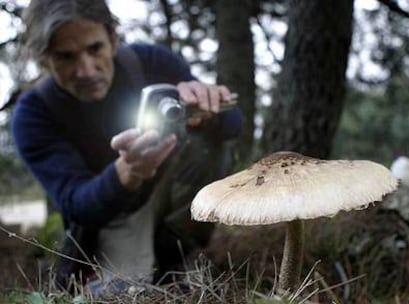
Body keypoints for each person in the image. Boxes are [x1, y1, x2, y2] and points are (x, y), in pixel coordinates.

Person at [12, 0, 242, 294]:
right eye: (66, 57)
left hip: (170, 188)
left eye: (95, 49)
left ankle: (176, 246)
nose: (86, 70)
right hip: (113, 213)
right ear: (43, 60)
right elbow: (77, 203)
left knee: (207, 146)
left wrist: (210, 113)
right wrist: (127, 173)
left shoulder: (151, 62)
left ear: (112, 37)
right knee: (122, 291)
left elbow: (233, 125)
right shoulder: (35, 114)